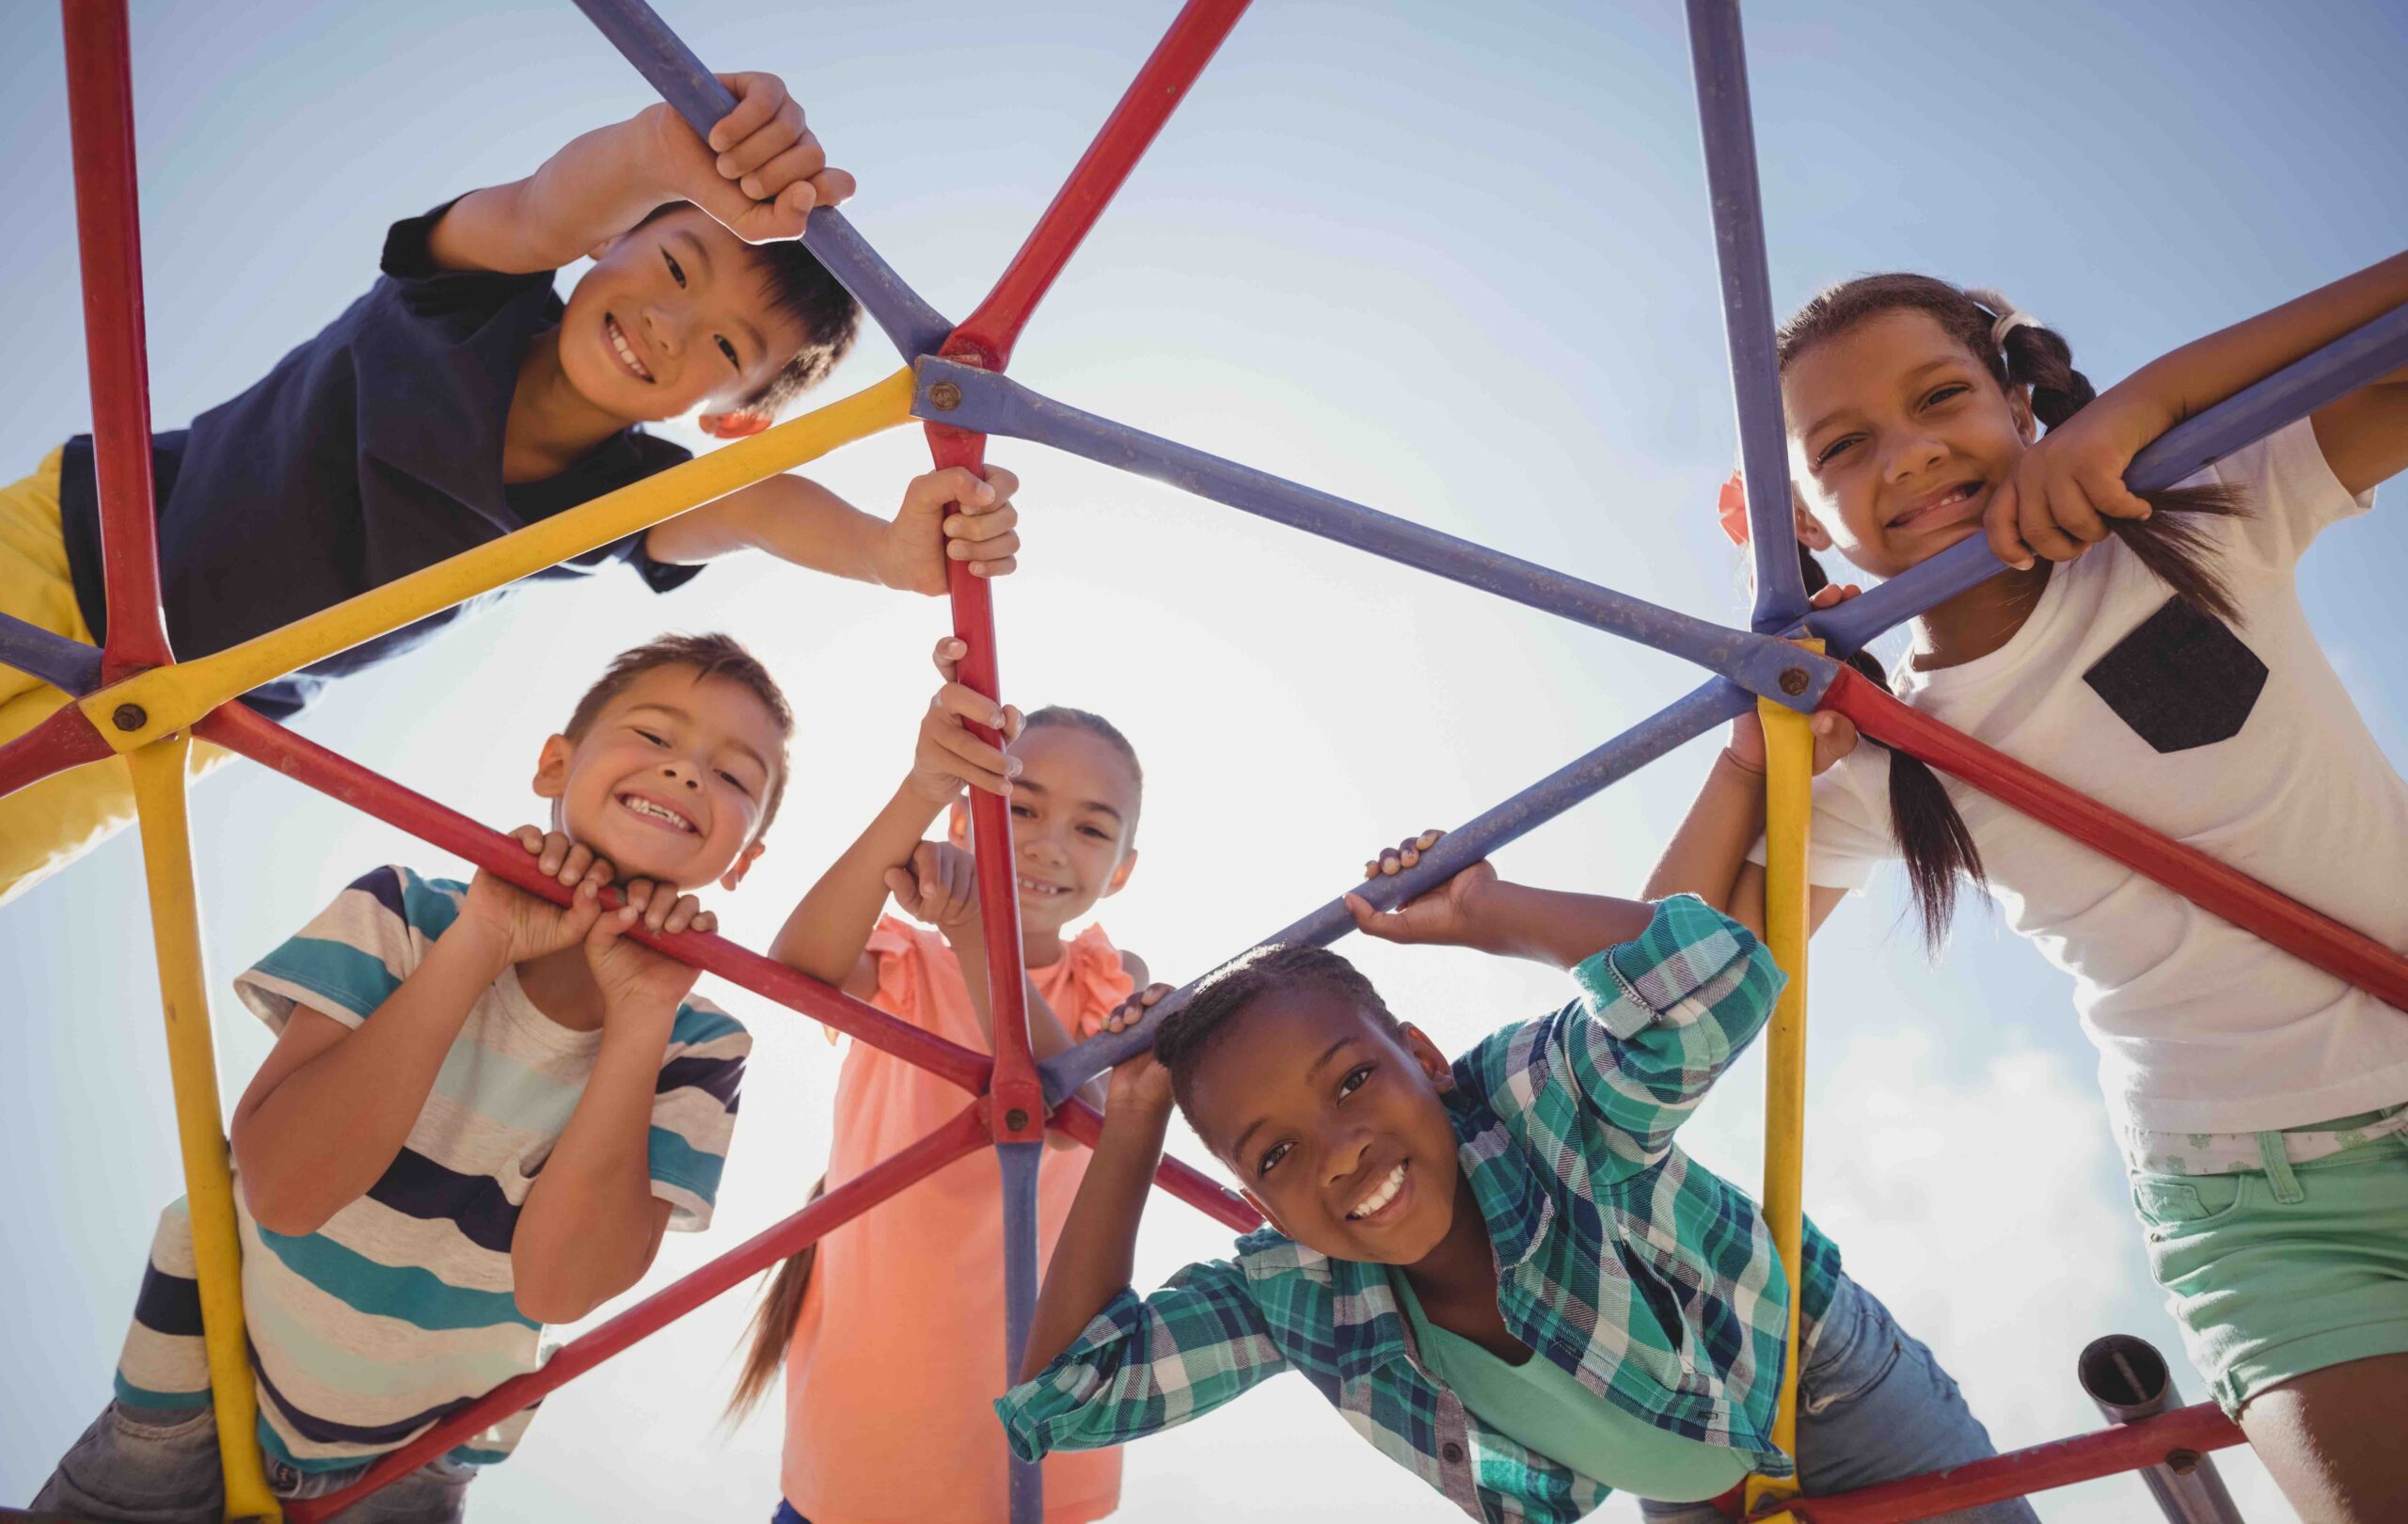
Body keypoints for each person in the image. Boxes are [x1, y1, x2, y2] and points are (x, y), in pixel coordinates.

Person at [1657, 253, 2408, 1520]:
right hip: (2260, 1209)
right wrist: (1749, 749)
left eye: (1942, 398)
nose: (1906, 454)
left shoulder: (2199, 511)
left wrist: (2148, 407)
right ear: (1794, 519)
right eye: (1841, 446)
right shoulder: (1881, 753)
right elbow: (1670, 996)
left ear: (2017, 401)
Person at [31, 629, 1019, 1522]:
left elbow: (560, 1287)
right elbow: (287, 1191)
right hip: (188, 1401)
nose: (684, 770)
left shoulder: (696, 1037)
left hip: (404, 1472)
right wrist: (481, 941)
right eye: (654, 734)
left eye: (731, 773)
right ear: (556, 761)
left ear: (743, 859)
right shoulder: (408, 913)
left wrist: (639, 1019)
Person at [0, 70, 1022, 904]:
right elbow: (538, 211)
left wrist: (889, 555)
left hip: (168, 712)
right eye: (672, 264)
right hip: (68, 546)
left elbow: (757, 507)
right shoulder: (464, 297)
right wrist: (661, 153)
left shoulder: (620, 499)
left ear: (734, 414)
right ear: (607, 240)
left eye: (723, 343)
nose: (669, 324)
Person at [997, 847, 2031, 1522]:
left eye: (1354, 1080)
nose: (1341, 1151)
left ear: (1424, 1057)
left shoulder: (1533, 1106)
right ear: (1257, 1203)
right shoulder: (1296, 1289)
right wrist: (1133, 1121)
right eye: (1273, 1155)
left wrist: (1484, 910)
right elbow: (1067, 1400)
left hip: (1824, 1390)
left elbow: (1715, 978)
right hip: (1686, 1492)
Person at [727, 638, 1147, 1524]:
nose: (1047, 844)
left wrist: (974, 934)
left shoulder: (1107, 979)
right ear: (966, 822)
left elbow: (1080, 1111)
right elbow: (795, 965)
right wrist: (923, 786)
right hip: (866, 1449)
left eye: (1091, 828)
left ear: (1123, 870)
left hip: (1036, 1461)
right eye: (1019, 808)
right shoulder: (909, 960)